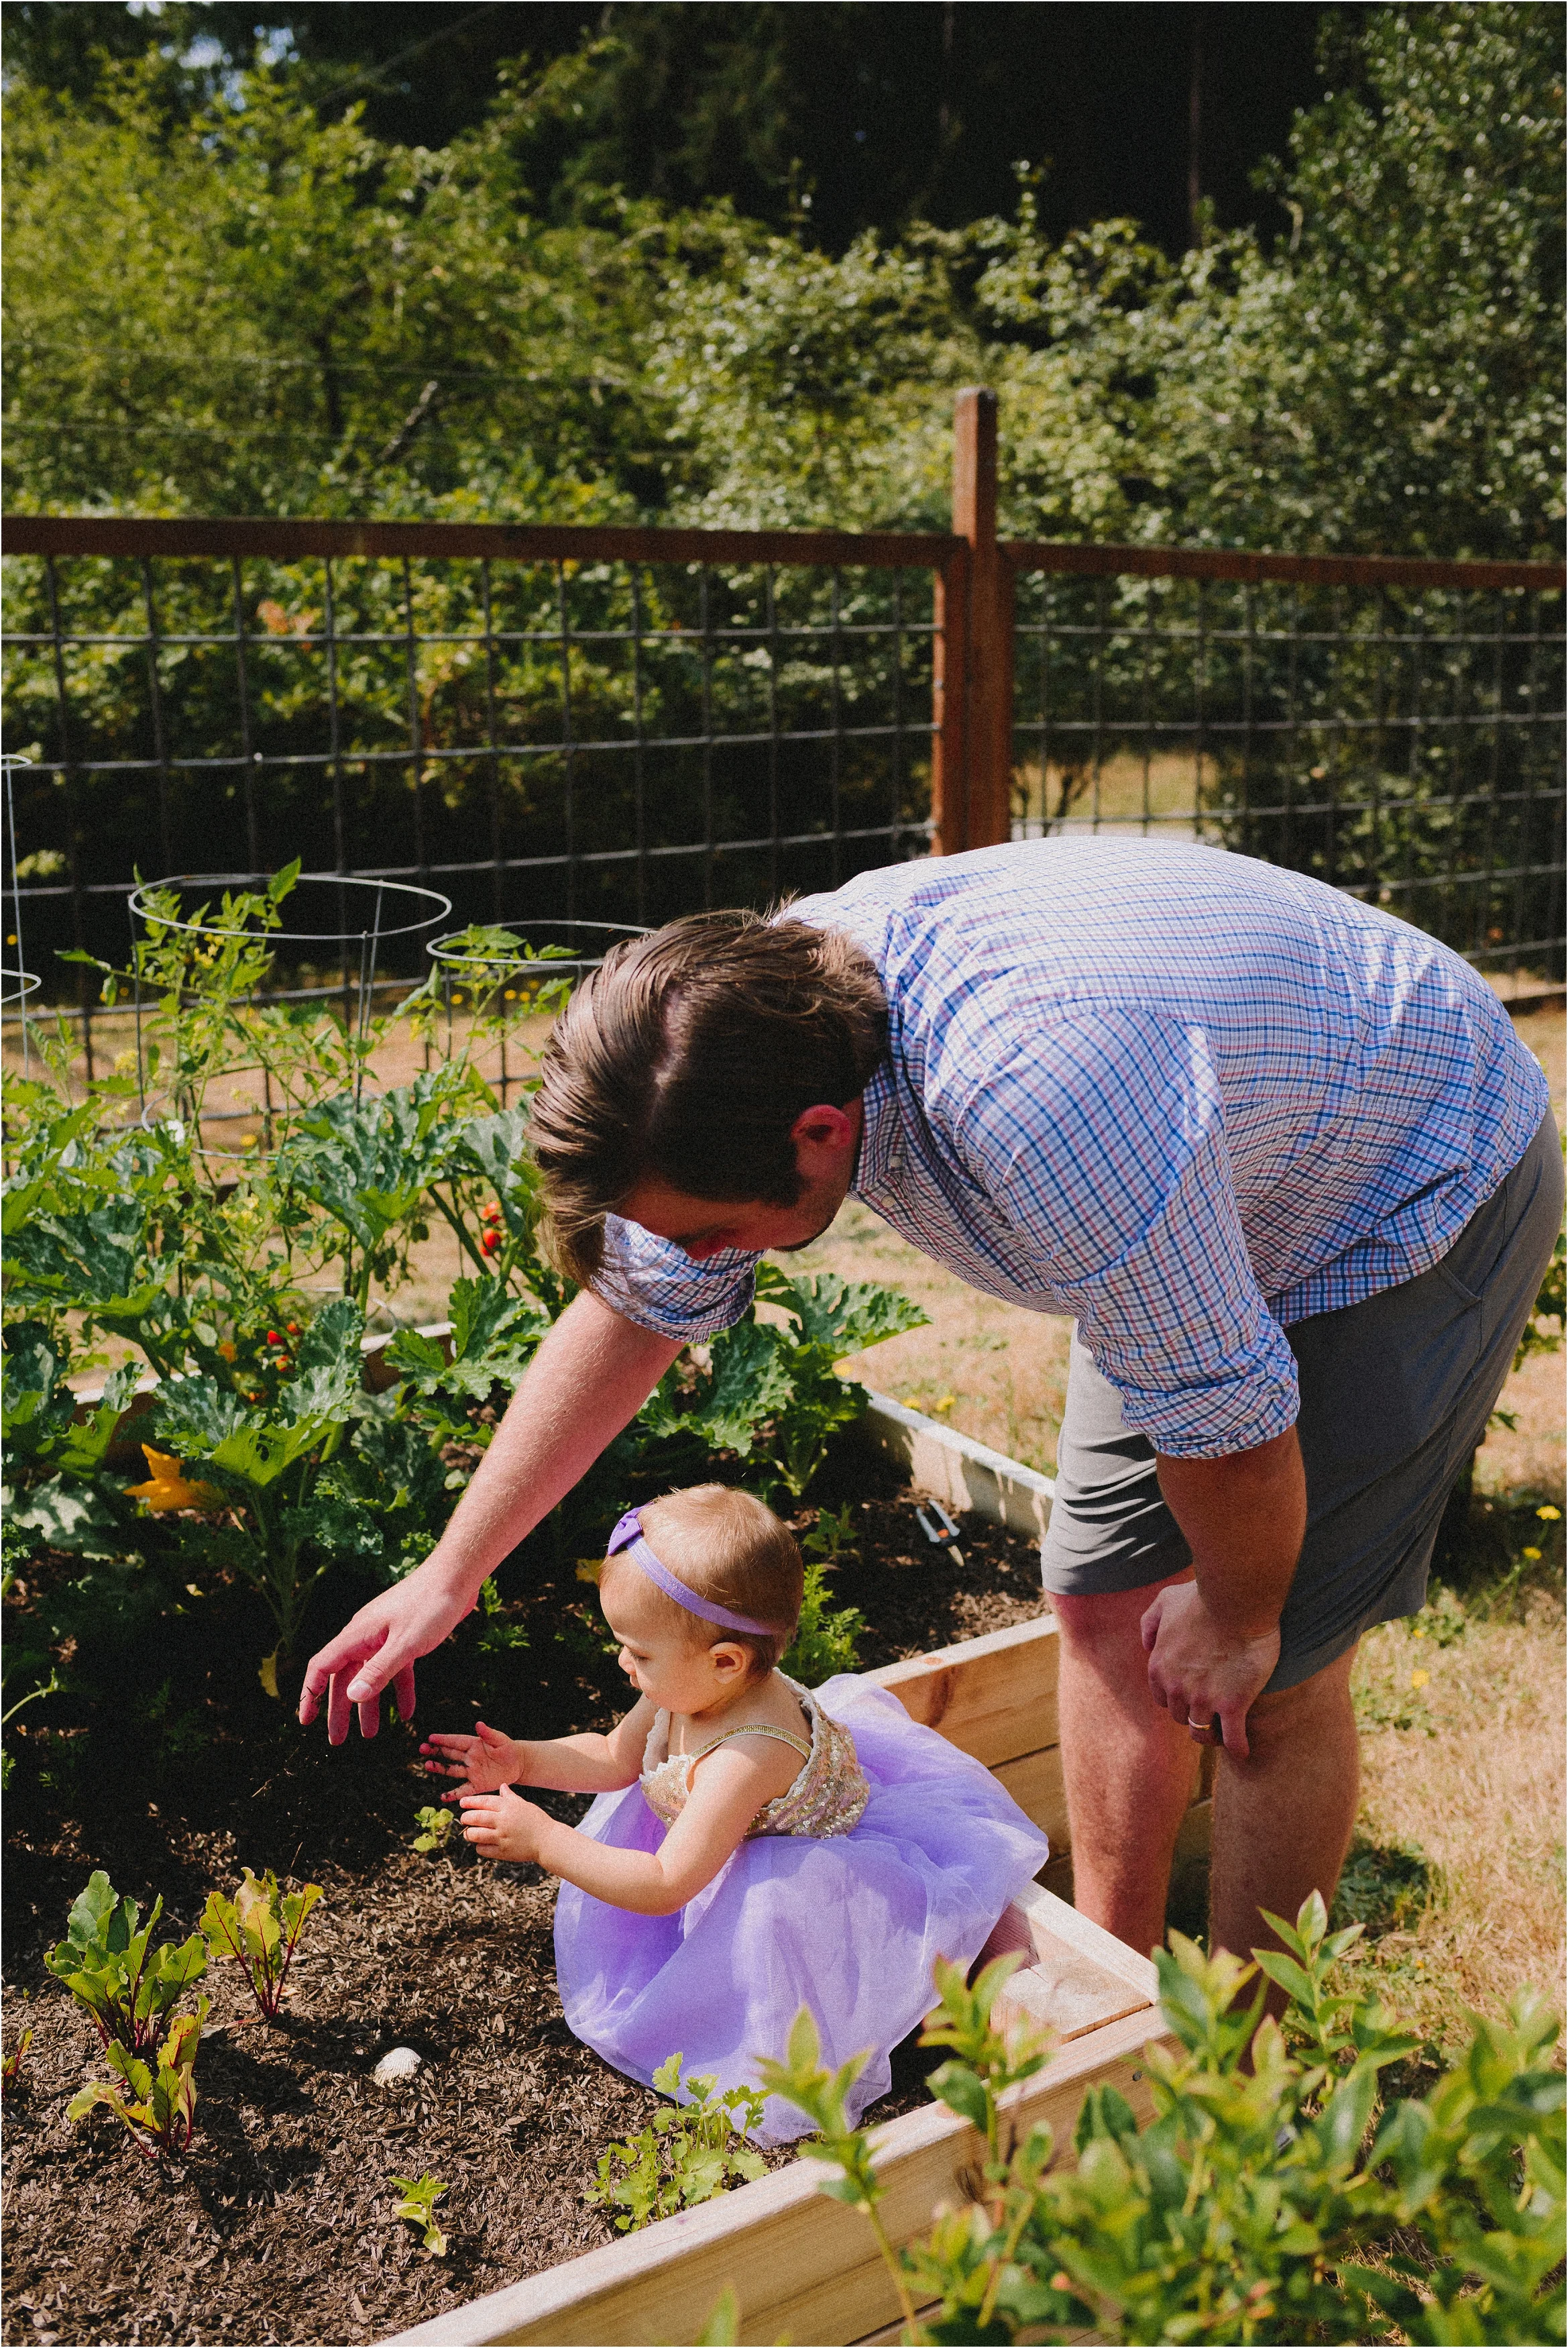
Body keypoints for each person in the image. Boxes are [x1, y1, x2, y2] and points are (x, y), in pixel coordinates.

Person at [302, 837, 1561, 1969]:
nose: (694, 1267)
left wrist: (1235, 1616)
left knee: (1268, 1677)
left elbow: (1227, 1427)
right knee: (1101, 1602)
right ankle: (1115, 2003)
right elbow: (631, 1306)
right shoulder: (741, 1048)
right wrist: (449, 1573)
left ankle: (1242, 2087)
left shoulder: (1040, 1123)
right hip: (1205, 1148)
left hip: (1405, 1167)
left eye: (711, 1238)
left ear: (814, 1134)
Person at [418, 1483, 1050, 2139]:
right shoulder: (688, 1684)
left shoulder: (745, 1755)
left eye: (638, 1650)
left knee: (777, 1954)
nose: (621, 1661)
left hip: (806, 1886)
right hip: (712, 1838)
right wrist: (521, 1760)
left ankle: (958, 1978)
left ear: (724, 1662)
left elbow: (665, 1884)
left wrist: (547, 1841)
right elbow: (613, 1755)